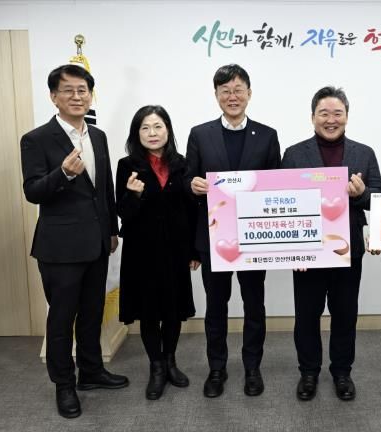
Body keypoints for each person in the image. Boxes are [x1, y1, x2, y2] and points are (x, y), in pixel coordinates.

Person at [20, 64, 128, 419]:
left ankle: (91, 371)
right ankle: (64, 385)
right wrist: (63, 173)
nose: (77, 96)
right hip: (60, 249)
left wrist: (112, 230)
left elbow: (104, 190)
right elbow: (33, 191)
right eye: (68, 90)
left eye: (83, 90)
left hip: (97, 244)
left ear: (90, 95)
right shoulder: (36, 139)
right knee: (61, 320)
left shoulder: (98, 136)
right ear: (54, 97)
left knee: (92, 313)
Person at [281, 86, 381, 401]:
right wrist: (292, 251)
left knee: (345, 314)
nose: (331, 119)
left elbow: (379, 197)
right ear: (312, 117)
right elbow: (281, 201)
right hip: (307, 251)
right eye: (323, 113)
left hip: (348, 248)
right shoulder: (294, 154)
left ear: (347, 117)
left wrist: (361, 194)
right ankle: (308, 372)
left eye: (337, 113)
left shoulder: (363, 152)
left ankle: (342, 372)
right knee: (306, 315)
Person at [185, 64, 281, 398]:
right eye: (225, 90)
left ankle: (252, 367)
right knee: (216, 306)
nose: (232, 96)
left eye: (238, 89)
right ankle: (217, 368)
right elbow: (187, 180)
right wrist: (192, 185)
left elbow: (276, 186)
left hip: (254, 238)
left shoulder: (267, 135)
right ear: (216, 95)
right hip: (214, 238)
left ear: (249, 93)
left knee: (254, 305)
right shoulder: (200, 134)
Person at [116, 105, 200, 400]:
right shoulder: (126, 165)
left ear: (168, 130)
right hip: (142, 252)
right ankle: (156, 367)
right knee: (149, 311)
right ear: (136, 133)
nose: (152, 133)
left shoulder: (182, 164)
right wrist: (134, 195)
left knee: (173, 310)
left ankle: (170, 361)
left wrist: (195, 251)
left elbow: (192, 210)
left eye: (157, 126)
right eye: (145, 128)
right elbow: (123, 212)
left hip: (176, 249)